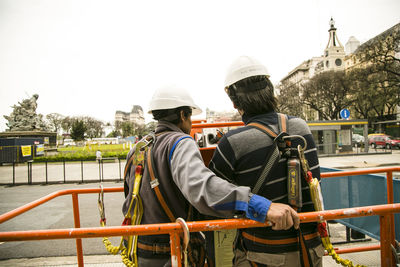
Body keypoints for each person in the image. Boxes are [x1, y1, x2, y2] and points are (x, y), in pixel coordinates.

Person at [122, 84, 300, 267]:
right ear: (183, 115)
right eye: (190, 116)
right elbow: (200, 188)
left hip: (139, 250)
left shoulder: (139, 148)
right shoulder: (181, 142)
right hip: (172, 254)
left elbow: (130, 196)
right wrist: (257, 204)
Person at [208, 56, 324, 267]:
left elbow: (217, 199)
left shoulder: (232, 142)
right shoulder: (300, 128)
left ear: (235, 102)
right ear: (271, 92)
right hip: (310, 250)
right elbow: (314, 181)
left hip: (261, 255)